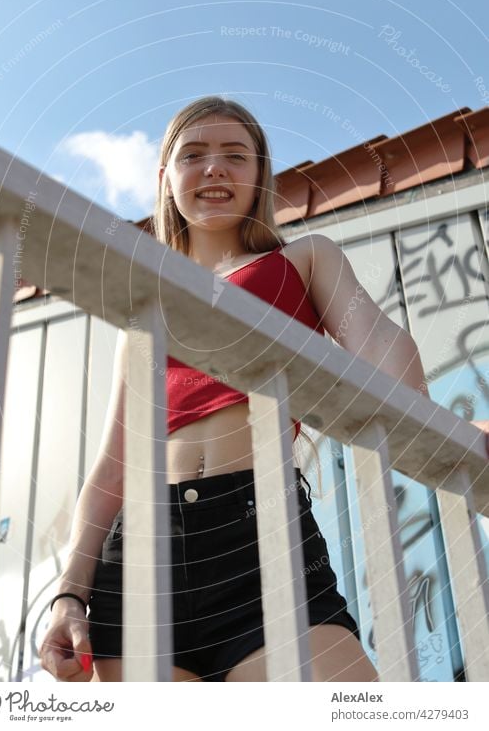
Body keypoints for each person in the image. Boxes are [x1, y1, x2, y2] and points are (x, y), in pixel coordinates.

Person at [38, 96, 489, 683]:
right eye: (193, 154)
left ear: (259, 175)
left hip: (263, 528)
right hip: (142, 555)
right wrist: (68, 597)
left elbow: (380, 350)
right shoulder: (144, 314)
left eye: (235, 155)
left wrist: (446, 428)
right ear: (166, 177)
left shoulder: (303, 260)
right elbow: (111, 471)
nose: (215, 168)